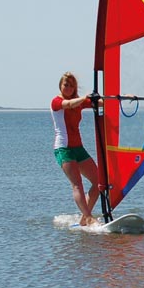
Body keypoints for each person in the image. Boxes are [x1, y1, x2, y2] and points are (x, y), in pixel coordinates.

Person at [50, 72, 102, 226]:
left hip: (78, 148)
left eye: (71, 85)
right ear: (60, 85)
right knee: (77, 184)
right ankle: (88, 217)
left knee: (99, 182)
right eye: (66, 84)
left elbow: (100, 103)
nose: (68, 88)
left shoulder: (79, 102)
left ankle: (84, 219)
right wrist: (86, 98)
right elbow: (70, 104)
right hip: (63, 149)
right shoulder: (56, 101)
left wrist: (121, 97)